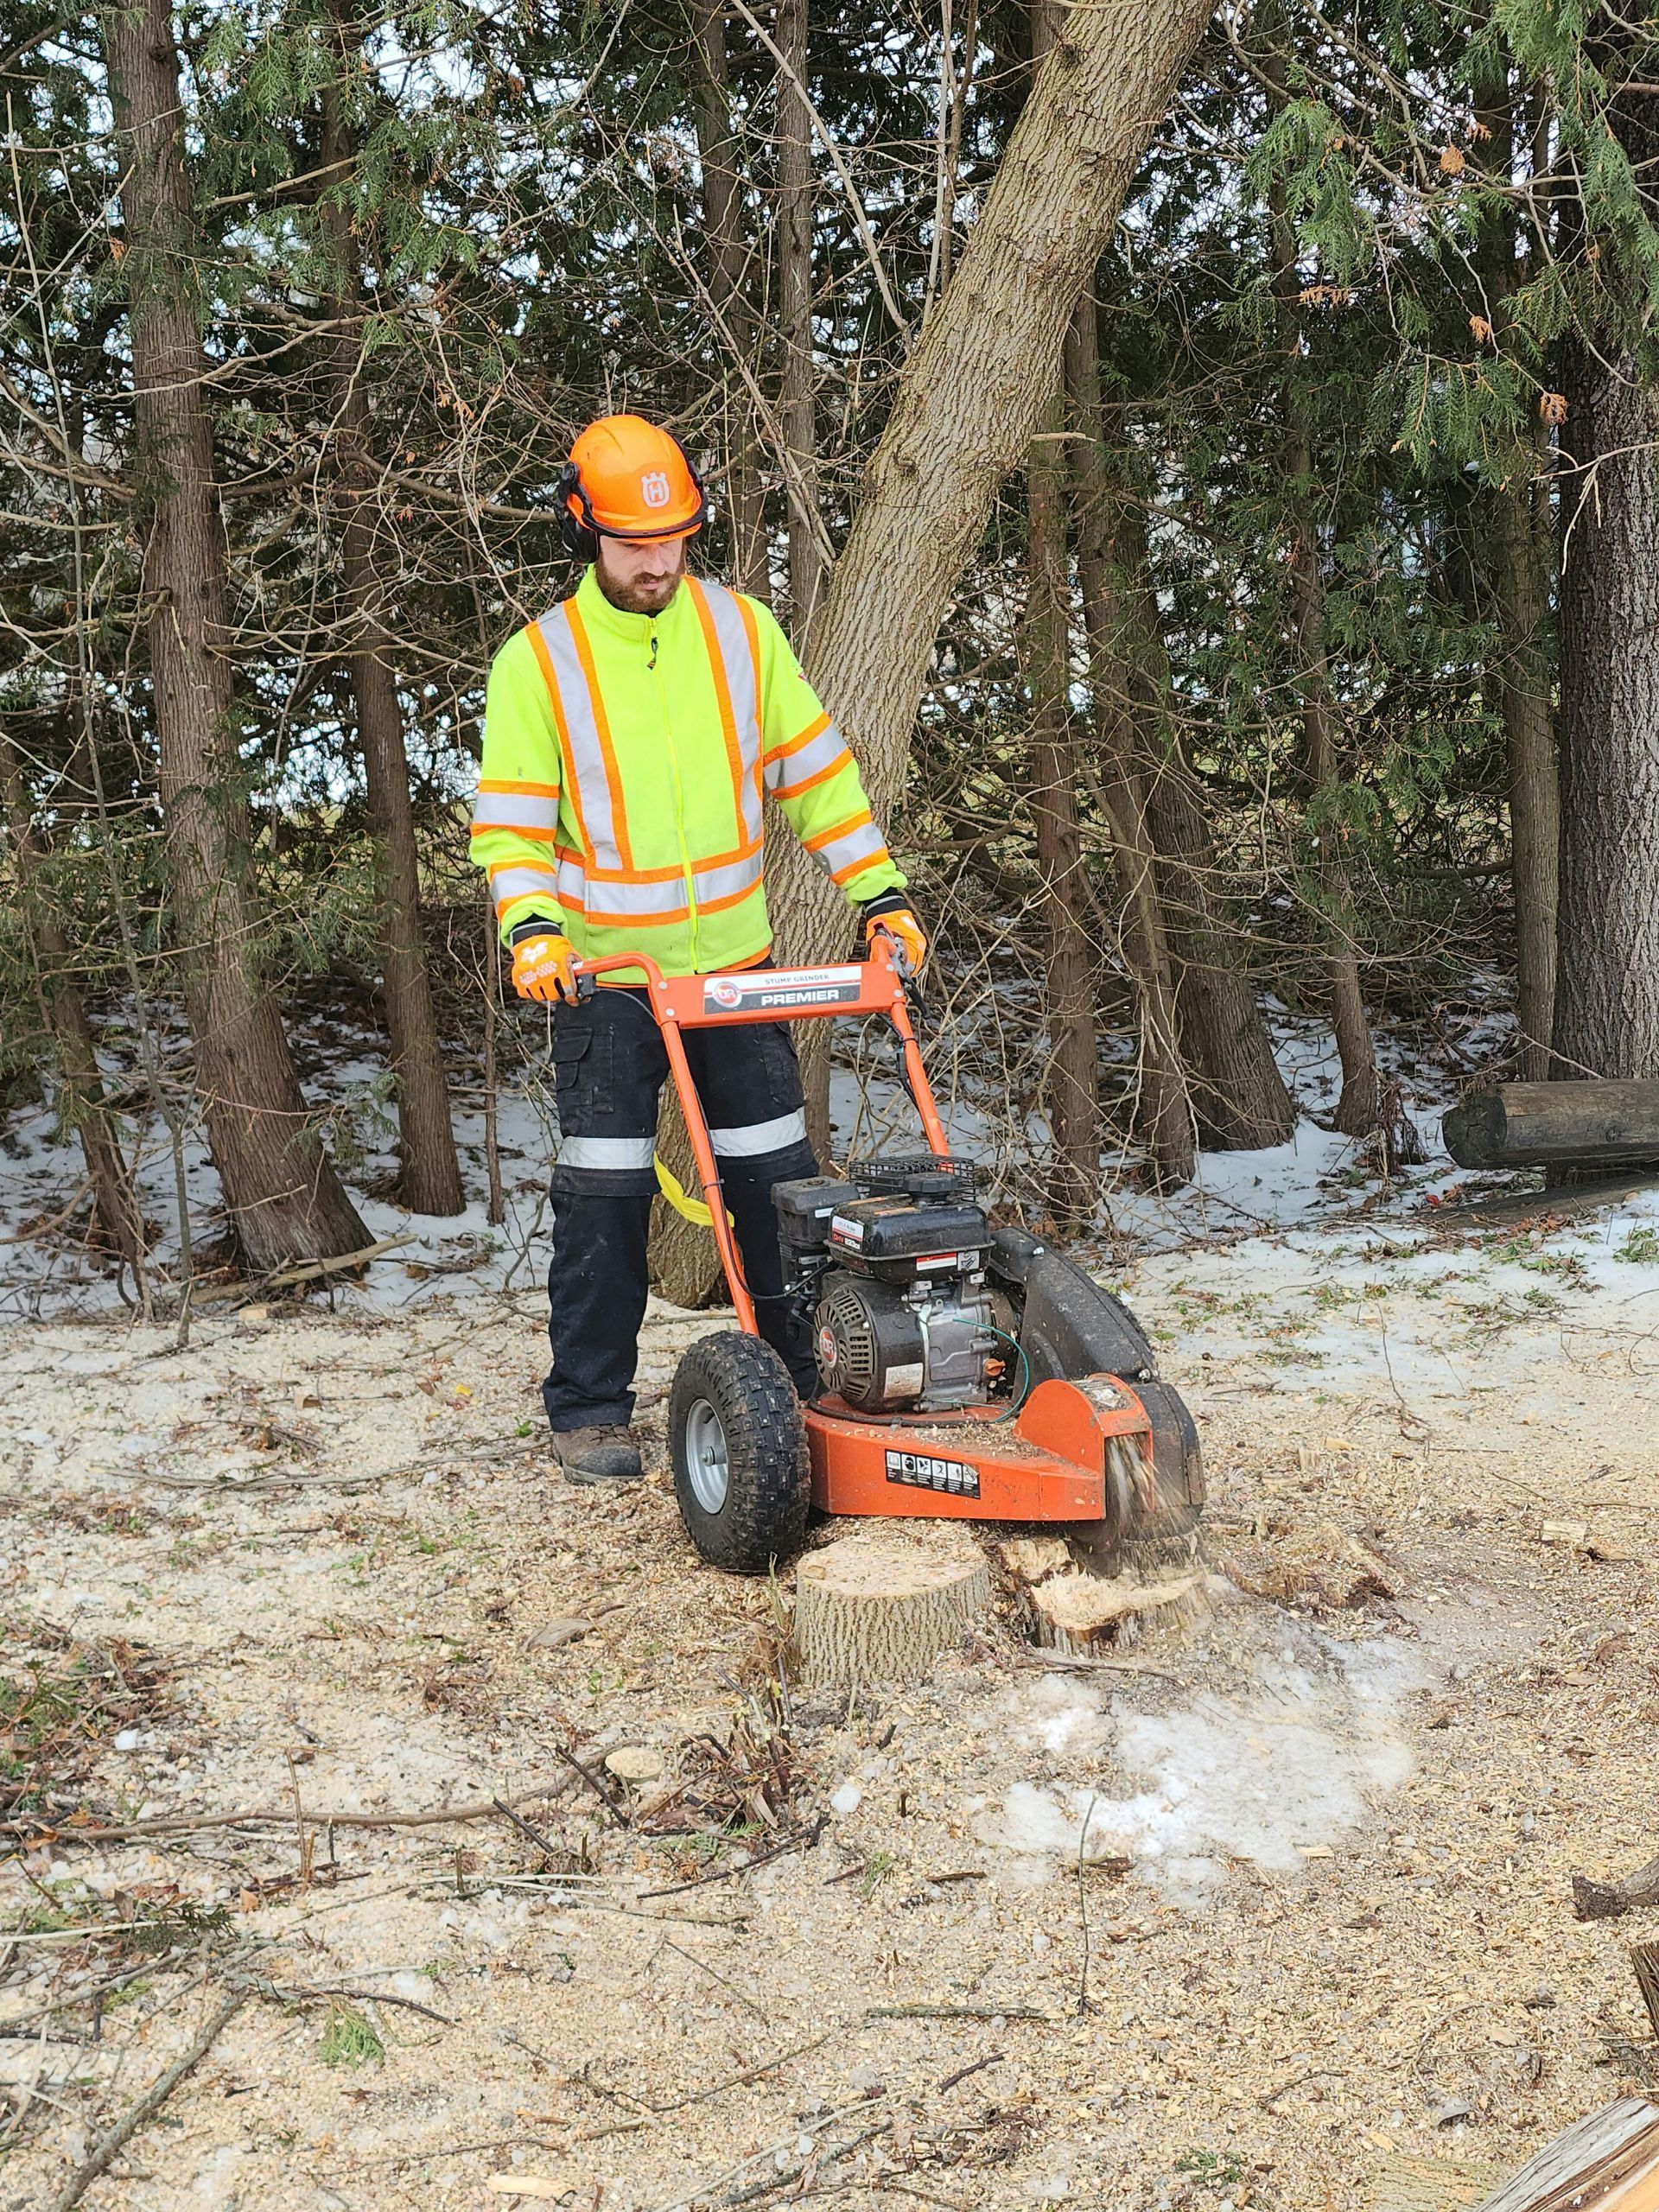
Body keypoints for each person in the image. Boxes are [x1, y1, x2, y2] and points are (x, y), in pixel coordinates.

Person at [468, 412, 927, 1483]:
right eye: (635, 547)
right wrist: (531, 929)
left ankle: (799, 1386)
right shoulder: (539, 663)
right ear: (585, 532)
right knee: (606, 1193)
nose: (657, 565)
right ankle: (588, 1409)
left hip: (735, 969)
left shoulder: (741, 631)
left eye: (673, 543)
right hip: (607, 983)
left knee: (778, 1182)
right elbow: (512, 828)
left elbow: (818, 780)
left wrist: (881, 894)